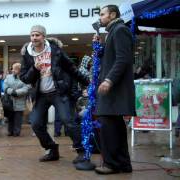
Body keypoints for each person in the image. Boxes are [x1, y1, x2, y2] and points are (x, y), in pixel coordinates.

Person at [20, 25, 89, 163]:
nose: (34, 38)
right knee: (36, 123)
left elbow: (71, 67)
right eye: (32, 35)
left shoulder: (55, 50)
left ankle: (81, 151)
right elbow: (25, 77)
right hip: (41, 95)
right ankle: (52, 149)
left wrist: (87, 82)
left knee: (67, 121)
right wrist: (34, 68)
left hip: (59, 92)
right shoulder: (27, 54)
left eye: (37, 35)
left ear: (43, 36)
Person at [93, 5, 135, 174]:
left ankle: (112, 164)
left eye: (102, 14)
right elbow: (113, 58)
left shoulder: (119, 30)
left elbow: (123, 59)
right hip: (113, 90)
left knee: (108, 125)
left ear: (112, 14)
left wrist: (109, 80)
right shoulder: (114, 31)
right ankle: (123, 164)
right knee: (115, 126)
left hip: (114, 90)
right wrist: (100, 48)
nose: (100, 17)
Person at [4, 63, 30, 137]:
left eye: (15, 69)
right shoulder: (8, 77)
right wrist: (11, 91)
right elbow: (5, 86)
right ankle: (10, 131)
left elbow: (26, 88)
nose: (13, 70)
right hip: (10, 101)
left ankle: (16, 132)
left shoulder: (24, 77)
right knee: (10, 117)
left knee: (18, 118)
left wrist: (17, 92)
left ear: (19, 70)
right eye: (12, 69)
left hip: (20, 100)